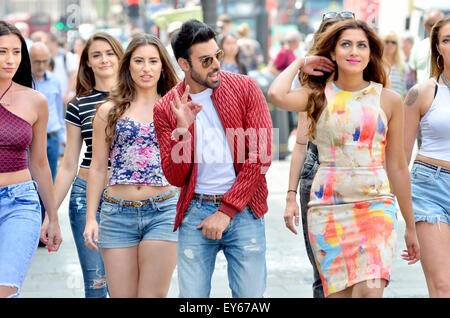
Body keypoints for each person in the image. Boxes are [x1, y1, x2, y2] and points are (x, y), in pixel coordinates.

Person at [268, 19, 420, 297]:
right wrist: (302, 61)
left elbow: (397, 166)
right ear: (333, 53)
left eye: (362, 45)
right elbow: (276, 94)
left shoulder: (388, 99)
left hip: (376, 209)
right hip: (328, 212)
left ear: (370, 53)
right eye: (346, 44)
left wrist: (411, 225)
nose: (354, 51)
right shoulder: (318, 96)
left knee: (370, 292)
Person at [153, 19, 272, 298]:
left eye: (217, 55)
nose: (216, 64)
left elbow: (262, 154)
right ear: (184, 64)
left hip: (244, 211)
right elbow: (175, 177)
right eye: (205, 60)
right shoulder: (166, 108)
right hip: (195, 211)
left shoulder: (245, 88)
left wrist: (226, 211)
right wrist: (182, 131)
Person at [83, 33, 180, 298]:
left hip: (163, 210)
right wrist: (91, 218)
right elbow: (99, 167)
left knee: (151, 296)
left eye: (153, 61)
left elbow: (189, 162)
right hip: (116, 213)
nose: (146, 68)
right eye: (138, 61)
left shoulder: (177, 107)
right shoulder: (109, 110)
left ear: (162, 66)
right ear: (128, 66)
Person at [269, 13, 355, 299]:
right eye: (335, 42)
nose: (343, 50)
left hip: (360, 182)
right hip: (315, 175)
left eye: (349, 42)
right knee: (324, 274)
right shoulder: (315, 89)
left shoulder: (372, 87)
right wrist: (290, 195)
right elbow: (301, 144)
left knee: (359, 274)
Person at [51, 32, 124, 298]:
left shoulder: (140, 97)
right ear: (88, 64)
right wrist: (50, 214)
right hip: (85, 197)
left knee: (126, 285)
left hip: (128, 199)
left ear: (120, 57)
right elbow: (69, 164)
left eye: (109, 53)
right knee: (96, 285)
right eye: (96, 55)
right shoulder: (78, 105)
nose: (104, 59)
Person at [0, 20, 62, 298]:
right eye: (2, 51)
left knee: (6, 289)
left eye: (16, 52)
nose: (10, 59)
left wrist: (52, 216)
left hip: (20, 203)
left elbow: (39, 163)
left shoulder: (35, 100)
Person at [403, 15, 450, 298]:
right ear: (438, 49)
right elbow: (400, 158)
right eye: (447, 39)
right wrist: (404, 219)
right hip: (430, 187)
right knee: (443, 285)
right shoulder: (421, 93)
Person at [30, 42, 64, 181]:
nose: (41, 66)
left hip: (52, 137)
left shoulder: (55, 81)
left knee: (50, 180)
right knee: (32, 181)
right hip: (30, 140)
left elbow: (58, 108)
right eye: (37, 62)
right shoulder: (22, 81)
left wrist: (62, 135)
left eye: (45, 61)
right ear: (30, 60)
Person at [409, 9, 444, 84]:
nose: (436, 28)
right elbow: (413, 74)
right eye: (432, 25)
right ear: (425, 25)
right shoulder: (417, 47)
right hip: (422, 92)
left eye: (439, 24)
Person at [383, 31, 408, 98]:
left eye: (393, 42)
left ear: (397, 45)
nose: (390, 44)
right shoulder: (377, 64)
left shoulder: (402, 66)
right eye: (387, 41)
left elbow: (404, 90)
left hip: (396, 105)